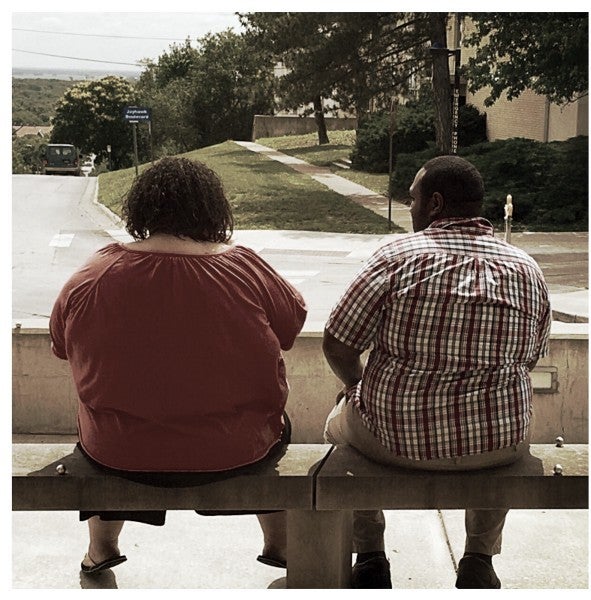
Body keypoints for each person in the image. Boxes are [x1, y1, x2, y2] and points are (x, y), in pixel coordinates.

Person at [49, 156, 306, 575]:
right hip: (237, 449)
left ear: (141, 209)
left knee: (100, 420)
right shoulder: (244, 268)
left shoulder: (94, 273)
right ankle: (279, 544)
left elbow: (62, 346)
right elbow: (290, 329)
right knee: (274, 429)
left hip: (118, 451)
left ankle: (101, 549)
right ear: (211, 209)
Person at [322, 155, 551, 589]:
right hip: (499, 445)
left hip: (394, 439)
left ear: (435, 204)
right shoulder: (527, 269)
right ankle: (478, 558)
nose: (409, 208)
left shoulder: (394, 258)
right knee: (504, 412)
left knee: (336, 425)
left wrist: (356, 387)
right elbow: (530, 360)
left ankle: (370, 553)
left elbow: (337, 344)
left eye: (412, 199)